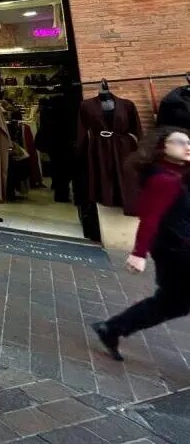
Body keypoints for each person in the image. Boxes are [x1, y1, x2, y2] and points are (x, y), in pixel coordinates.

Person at [92, 128, 190, 361]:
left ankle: (112, 328)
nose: (187, 146)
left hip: (175, 247)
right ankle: (112, 328)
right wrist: (138, 253)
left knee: (173, 303)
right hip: (177, 250)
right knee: (173, 302)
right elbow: (150, 217)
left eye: (189, 142)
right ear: (161, 148)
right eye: (179, 142)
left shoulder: (178, 175)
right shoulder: (164, 180)